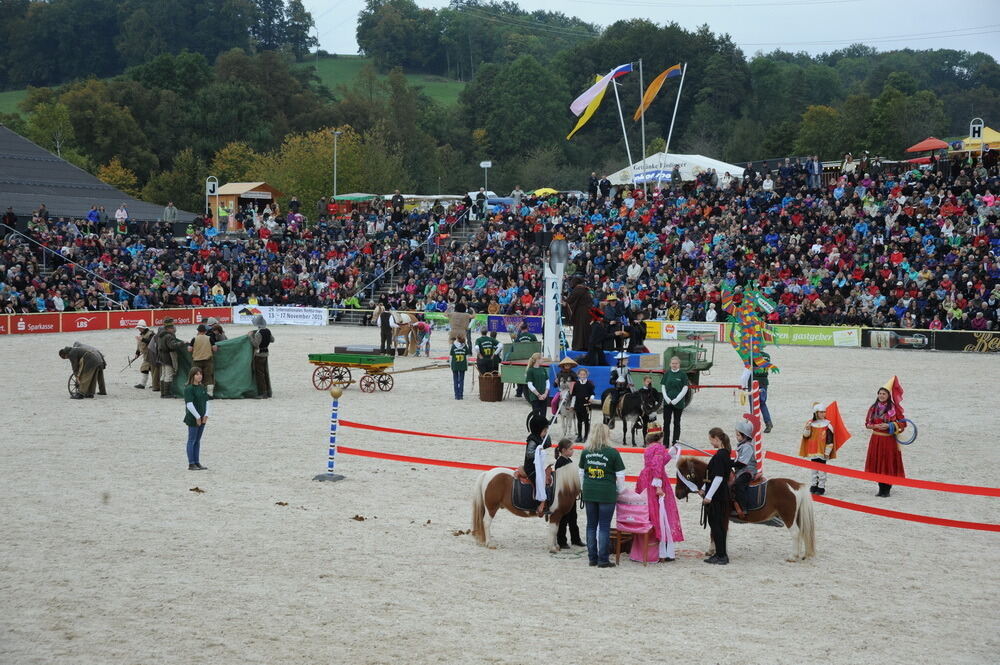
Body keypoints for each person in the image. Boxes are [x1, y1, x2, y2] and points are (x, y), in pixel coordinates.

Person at [634, 428, 684, 562]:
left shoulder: (649, 448)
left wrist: (671, 452)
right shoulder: (659, 447)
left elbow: (658, 461)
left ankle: (649, 547)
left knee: (649, 511)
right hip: (656, 480)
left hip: (645, 478)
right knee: (662, 512)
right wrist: (658, 486)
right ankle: (661, 550)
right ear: (660, 438)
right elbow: (657, 465)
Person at [578, 424, 625, 567]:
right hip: (606, 492)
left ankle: (592, 558)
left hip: (589, 491)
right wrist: (619, 490)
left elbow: (581, 473)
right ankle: (603, 559)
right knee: (604, 526)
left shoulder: (586, 452)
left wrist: (583, 489)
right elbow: (620, 475)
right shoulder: (613, 453)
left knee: (591, 525)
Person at [864, 378, 907, 497]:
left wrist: (890, 425)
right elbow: (867, 424)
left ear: (888, 395)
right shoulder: (873, 408)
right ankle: (880, 487)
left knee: (887, 462)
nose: (881, 396)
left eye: (884, 394)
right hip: (876, 439)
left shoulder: (894, 409)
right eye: (880, 393)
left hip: (889, 440)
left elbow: (903, 424)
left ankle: (887, 488)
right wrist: (876, 426)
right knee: (878, 461)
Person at [799, 401, 850, 495]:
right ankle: (814, 485)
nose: (823, 414)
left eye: (824, 412)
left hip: (822, 451)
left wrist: (827, 452)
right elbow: (806, 436)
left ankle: (821, 487)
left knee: (822, 471)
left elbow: (830, 441)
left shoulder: (828, 425)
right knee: (814, 469)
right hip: (813, 450)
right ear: (816, 413)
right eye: (821, 412)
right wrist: (807, 428)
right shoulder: (811, 423)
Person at [700, 427, 733, 565]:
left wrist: (709, 496)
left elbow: (718, 478)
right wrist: (703, 488)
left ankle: (721, 555)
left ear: (716, 439)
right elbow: (711, 476)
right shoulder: (724, 454)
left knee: (716, 525)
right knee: (717, 525)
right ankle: (720, 554)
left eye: (711, 439)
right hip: (719, 494)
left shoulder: (720, 456)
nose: (710, 442)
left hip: (717, 496)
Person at [554, 438, 585, 549]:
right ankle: (562, 541)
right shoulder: (560, 462)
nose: (573, 451)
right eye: (571, 449)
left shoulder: (568, 461)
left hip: (570, 495)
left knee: (573, 518)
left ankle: (575, 539)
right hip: (564, 496)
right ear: (563, 450)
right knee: (563, 519)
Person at [524, 415, 553, 516]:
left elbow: (548, 444)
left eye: (546, 431)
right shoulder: (532, 440)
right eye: (544, 431)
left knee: (550, 477)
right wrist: (538, 451)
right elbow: (529, 454)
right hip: (532, 467)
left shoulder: (542, 437)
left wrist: (546, 435)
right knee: (541, 480)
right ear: (538, 430)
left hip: (541, 465)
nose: (545, 433)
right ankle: (540, 503)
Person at [183, 366, 209, 471]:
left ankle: (197, 462)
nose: (200, 376)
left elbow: (207, 402)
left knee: (197, 440)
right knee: (192, 440)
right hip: (193, 418)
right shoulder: (189, 389)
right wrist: (197, 417)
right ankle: (191, 463)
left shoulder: (202, 387)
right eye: (197, 374)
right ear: (192, 376)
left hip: (202, 417)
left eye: (200, 374)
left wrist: (206, 415)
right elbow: (189, 404)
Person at [660, 355, 689, 443]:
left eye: (676, 363)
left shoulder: (683, 375)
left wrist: (677, 399)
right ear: (670, 364)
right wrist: (667, 398)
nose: (674, 365)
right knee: (666, 423)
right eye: (673, 363)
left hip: (678, 404)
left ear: (679, 364)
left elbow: (685, 388)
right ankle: (665, 443)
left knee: (676, 423)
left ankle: (675, 443)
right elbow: (663, 386)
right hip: (667, 403)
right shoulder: (667, 374)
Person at [155, 317, 185, 399]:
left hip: (161, 357)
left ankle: (163, 392)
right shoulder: (169, 336)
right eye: (172, 328)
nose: (174, 329)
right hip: (168, 357)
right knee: (168, 375)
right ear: (169, 328)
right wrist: (181, 343)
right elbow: (172, 346)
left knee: (163, 375)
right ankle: (166, 393)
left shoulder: (160, 335)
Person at [731, 419, 757, 513]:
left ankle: (743, 508)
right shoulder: (741, 446)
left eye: (738, 435)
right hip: (741, 470)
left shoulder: (747, 447)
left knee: (738, 484)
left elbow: (741, 463)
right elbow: (737, 460)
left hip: (747, 471)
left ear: (745, 436)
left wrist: (729, 463)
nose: (736, 437)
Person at [187, 324, 219, 395]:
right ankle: (210, 394)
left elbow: (189, 349)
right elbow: (215, 349)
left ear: (198, 331)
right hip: (207, 360)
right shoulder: (209, 338)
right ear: (205, 331)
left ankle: (196, 393)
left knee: (196, 377)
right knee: (208, 377)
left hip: (196, 361)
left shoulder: (194, 339)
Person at [248, 314, 273, 398]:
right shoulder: (268, 331)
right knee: (265, 373)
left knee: (260, 374)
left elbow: (255, 344)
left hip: (259, 355)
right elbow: (272, 340)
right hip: (266, 353)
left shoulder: (259, 333)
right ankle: (268, 391)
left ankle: (263, 392)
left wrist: (251, 336)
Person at [565, 277, 593, 351]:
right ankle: (586, 345)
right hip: (588, 313)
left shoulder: (578, 289)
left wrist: (564, 301)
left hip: (581, 313)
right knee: (585, 330)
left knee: (579, 329)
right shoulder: (586, 289)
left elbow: (570, 300)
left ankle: (579, 346)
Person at [569, 368, 596, 443]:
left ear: (587, 375)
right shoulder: (576, 384)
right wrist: (572, 405)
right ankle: (579, 436)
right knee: (579, 421)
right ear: (578, 375)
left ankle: (586, 436)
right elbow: (574, 395)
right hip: (578, 405)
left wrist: (591, 398)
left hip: (586, 406)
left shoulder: (589, 384)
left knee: (587, 421)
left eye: (584, 374)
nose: (582, 376)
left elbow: (593, 394)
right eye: (581, 374)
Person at [524, 352, 549, 420]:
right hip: (534, 397)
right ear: (537, 360)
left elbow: (547, 381)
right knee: (536, 415)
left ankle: (543, 429)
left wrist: (545, 393)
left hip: (544, 396)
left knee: (543, 415)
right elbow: (530, 385)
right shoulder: (530, 370)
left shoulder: (543, 369)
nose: (543, 359)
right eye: (542, 358)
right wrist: (538, 395)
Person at [134, 320, 155, 389]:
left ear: (143, 328)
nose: (139, 330)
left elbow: (151, 342)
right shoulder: (141, 335)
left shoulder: (151, 334)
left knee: (148, 369)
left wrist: (142, 339)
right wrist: (137, 352)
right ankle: (154, 384)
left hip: (151, 354)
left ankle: (143, 384)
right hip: (146, 355)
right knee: (150, 369)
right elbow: (139, 345)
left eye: (139, 328)